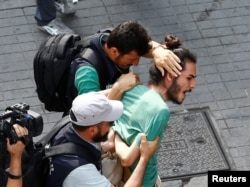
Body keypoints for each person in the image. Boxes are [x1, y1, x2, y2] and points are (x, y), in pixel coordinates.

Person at [102, 35, 197, 187]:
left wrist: (115, 131)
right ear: (170, 76)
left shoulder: (130, 87)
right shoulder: (160, 111)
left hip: (121, 177)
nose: (193, 85)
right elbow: (130, 158)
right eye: (189, 78)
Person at [44, 92, 160, 187]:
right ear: (93, 130)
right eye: (110, 123)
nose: (112, 127)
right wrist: (145, 158)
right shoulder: (81, 171)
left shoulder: (69, 121)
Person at [67, 20, 182, 106]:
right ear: (114, 51)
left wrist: (158, 51)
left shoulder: (114, 37)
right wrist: (119, 88)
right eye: (132, 59)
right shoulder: (87, 72)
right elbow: (90, 109)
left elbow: (146, 46)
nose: (136, 63)